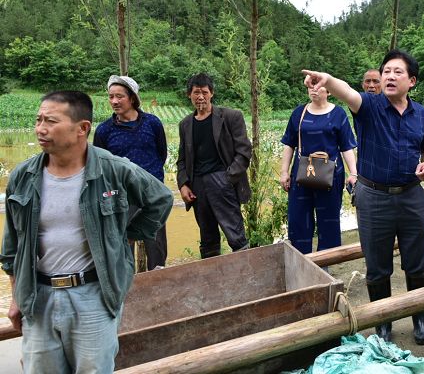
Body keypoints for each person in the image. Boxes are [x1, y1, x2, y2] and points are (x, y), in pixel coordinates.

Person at [1, 91, 172, 373]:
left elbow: (161, 199)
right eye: (38, 119)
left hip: (94, 295)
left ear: (82, 128)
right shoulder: (24, 176)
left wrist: (124, 235)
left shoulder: (113, 169)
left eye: (51, 121)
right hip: (39, 297)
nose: (41, 128)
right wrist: (17, 296)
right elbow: (12, 246)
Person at [302, 49, 424, 346]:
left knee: (416, 262)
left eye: (397, 72)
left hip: (412, 195)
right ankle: (382, 321)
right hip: (374, 196)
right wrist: (327, 80)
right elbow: (348, 92)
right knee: (377, 265)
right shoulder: (370, 107)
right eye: (386, 71)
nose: (389, 76)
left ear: (412, 81)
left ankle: (420, 319)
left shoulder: (422, 114)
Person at [94, 75, 169, 269]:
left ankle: (158, 285)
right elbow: (101, 167)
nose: (114, 101)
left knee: (156, 246)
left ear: (132, 98)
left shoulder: (152, 123)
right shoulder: (104, 131)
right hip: (122, 197)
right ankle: (128, 290)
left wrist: (150, 180)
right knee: (123, 247)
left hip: (153, 194)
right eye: (111, 97)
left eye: (120, 96)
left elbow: (161, 154)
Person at [177, 73, 252, 258]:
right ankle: (214, 280)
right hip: (198, 186)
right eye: (196, 92)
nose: (200, 96)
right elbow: (181, 160)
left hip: (222, 180)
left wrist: (227, 178)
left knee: (236, 235)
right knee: (207, 238)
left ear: (212, 93)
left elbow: (244, 152)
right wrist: (183, 184)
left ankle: (246, 275)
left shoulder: (230, 117)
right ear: (189, 95)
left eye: (204, 92)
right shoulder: (185, 124)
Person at [279, 86, 358, 254]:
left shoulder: (339, 114)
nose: (313, 90)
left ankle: (326, 264)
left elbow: (346, 147)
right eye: (309, 86)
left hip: (331, 176)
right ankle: (301, 261)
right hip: (302, 175)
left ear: (329, 91)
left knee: (329, 221)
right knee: (298, 220)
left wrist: (353, 173)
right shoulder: (299, 113)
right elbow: (289, 144)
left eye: (318, 86)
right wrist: (284, 172)